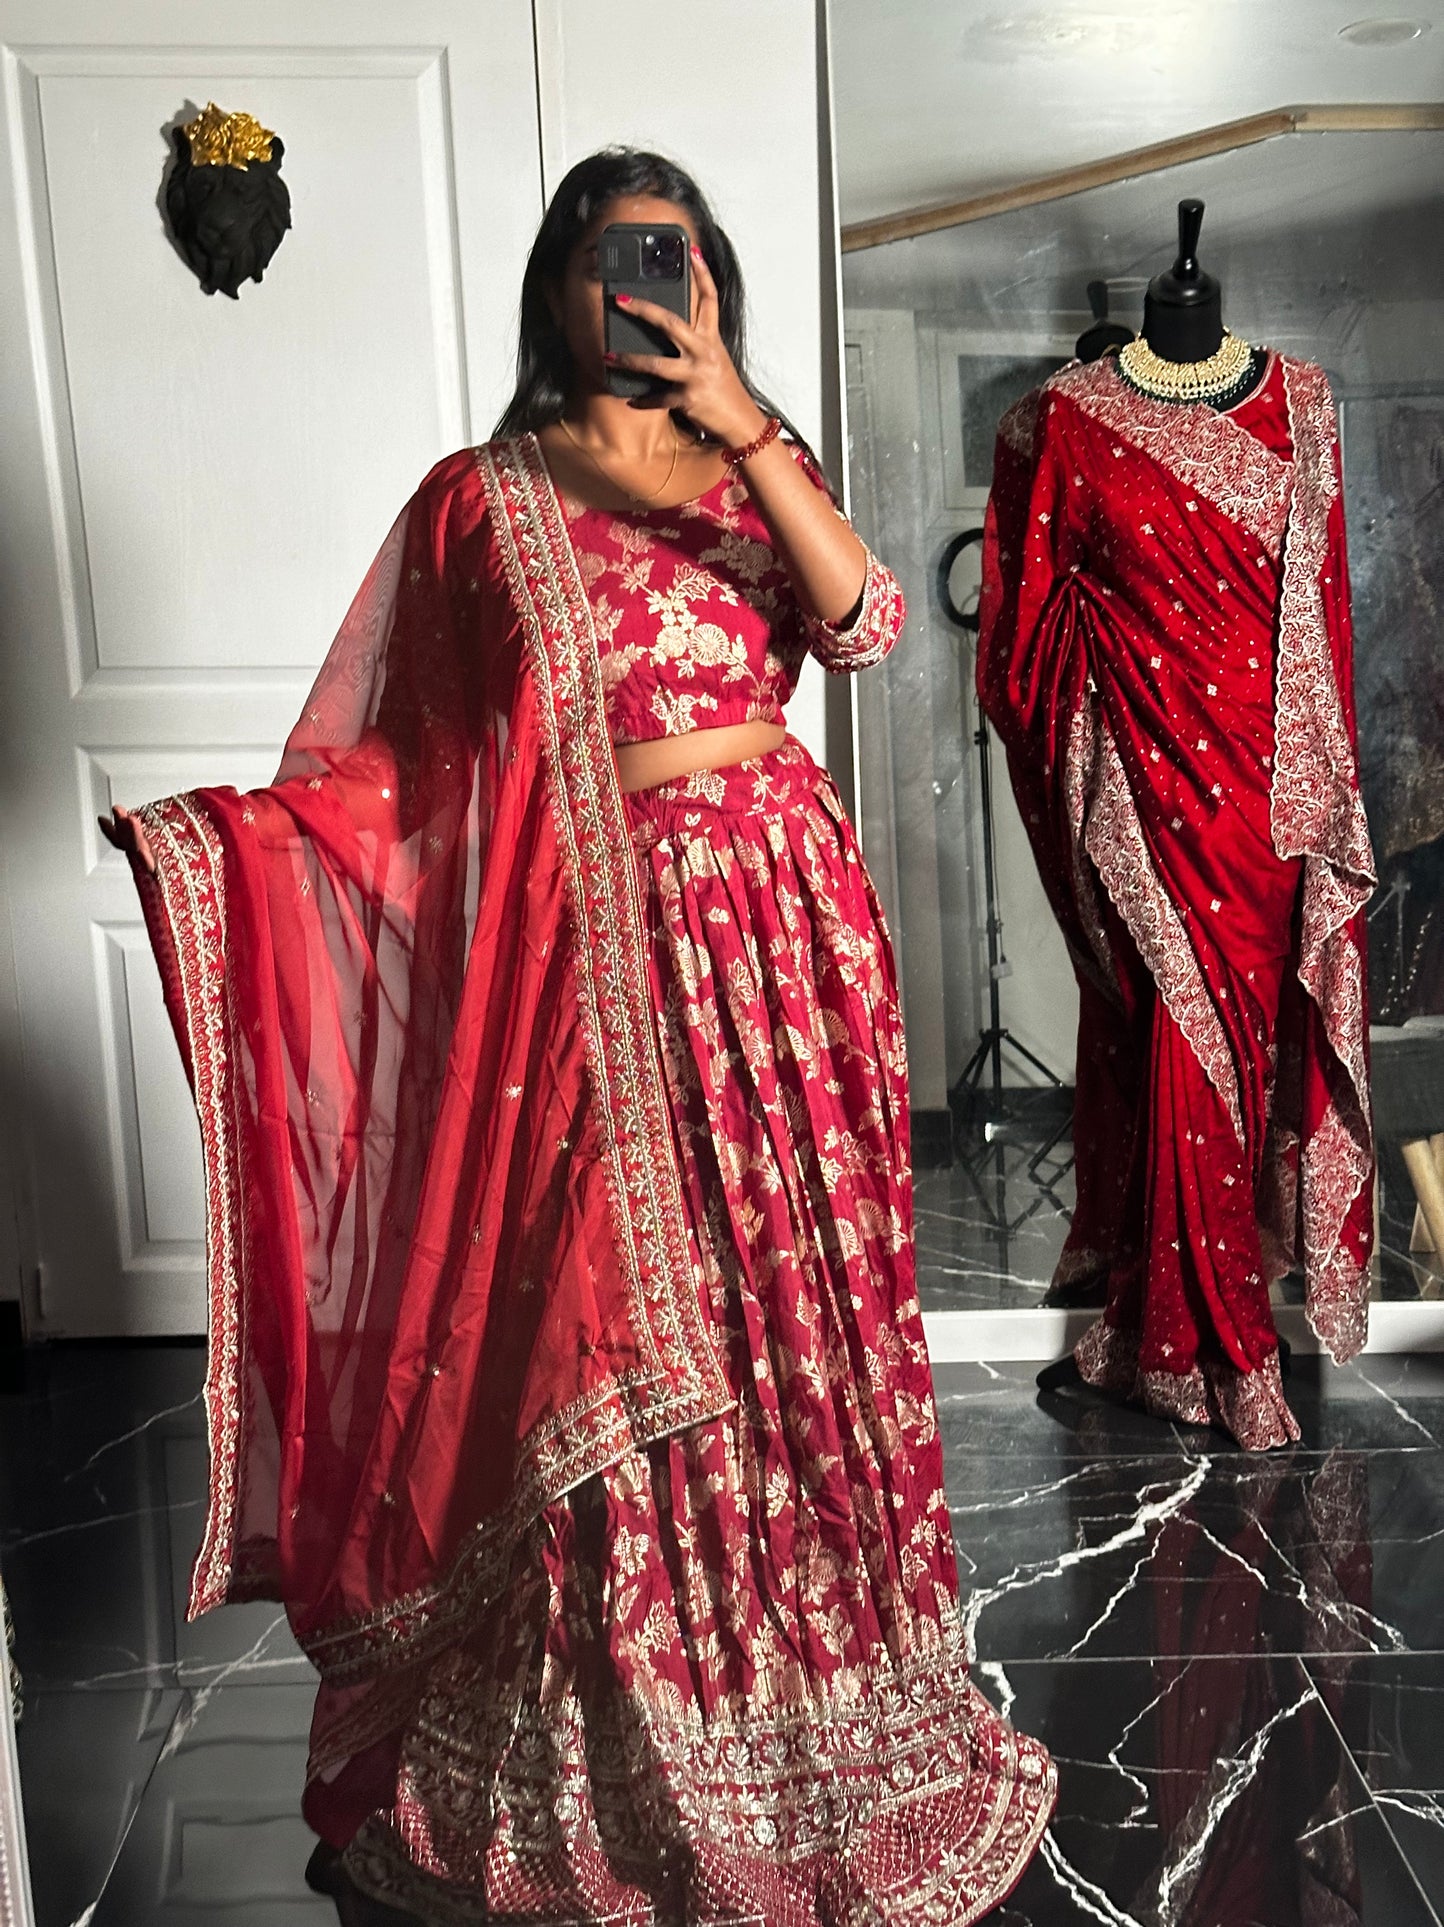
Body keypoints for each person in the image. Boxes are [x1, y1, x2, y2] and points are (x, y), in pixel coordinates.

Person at [102, 148, 1054, 1923]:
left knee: (795, 1313)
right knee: (598, 1327)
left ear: (710, 281)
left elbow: (863, 625)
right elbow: (409, 784)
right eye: (614, 256)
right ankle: (633, 1726)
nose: (642, 282)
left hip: (786, 942)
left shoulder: (752, 463)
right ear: (556, 283)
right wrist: (231, 846)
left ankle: (824, 1697)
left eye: (675, 256)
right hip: (592, 974)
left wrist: (742, 414)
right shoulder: (482, 500)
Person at [977, 334, 1374, 1452]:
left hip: (1264, 801)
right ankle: (1224, 1348)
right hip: (1140, 788)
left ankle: (1158, 1326)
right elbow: (1020, 636)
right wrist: (1088, 732)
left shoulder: (1304, 398)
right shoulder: (1066, 418)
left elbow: (1322, 609)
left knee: (1237, 1057)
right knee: (1177, 1045)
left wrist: (1323, 789)